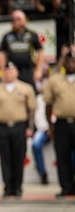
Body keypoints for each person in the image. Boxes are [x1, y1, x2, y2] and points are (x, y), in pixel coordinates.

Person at [0, 62, 36, 197]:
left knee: (19, 157)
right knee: (5, 157)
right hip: (1, 126)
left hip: (19, 126)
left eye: (11, 71)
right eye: (6, 71)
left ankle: (18, 186)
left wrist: (30, 127)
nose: (9, 73)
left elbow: (31, 109)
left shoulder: (25, 88)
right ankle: (8, 186)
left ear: (16, 73)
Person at [43, 52, 75, 197]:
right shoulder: (55, 80)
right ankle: (65, 187)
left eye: (73, 61)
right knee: (62, 156)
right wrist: (50, 125)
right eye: (68, 60)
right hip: (61, 123)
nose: (71, 63)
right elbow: (48, 105)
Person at [0, 9, 44, 91]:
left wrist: (39, 70)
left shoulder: (32, 35)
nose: (15, 21)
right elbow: (2, 54)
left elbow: (40, 51)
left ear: (24, 20)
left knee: (30, 93)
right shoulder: (7, 36)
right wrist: (2, 72)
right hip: (11, 71)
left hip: (28, 71)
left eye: (18, 19)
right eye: (13, 19)